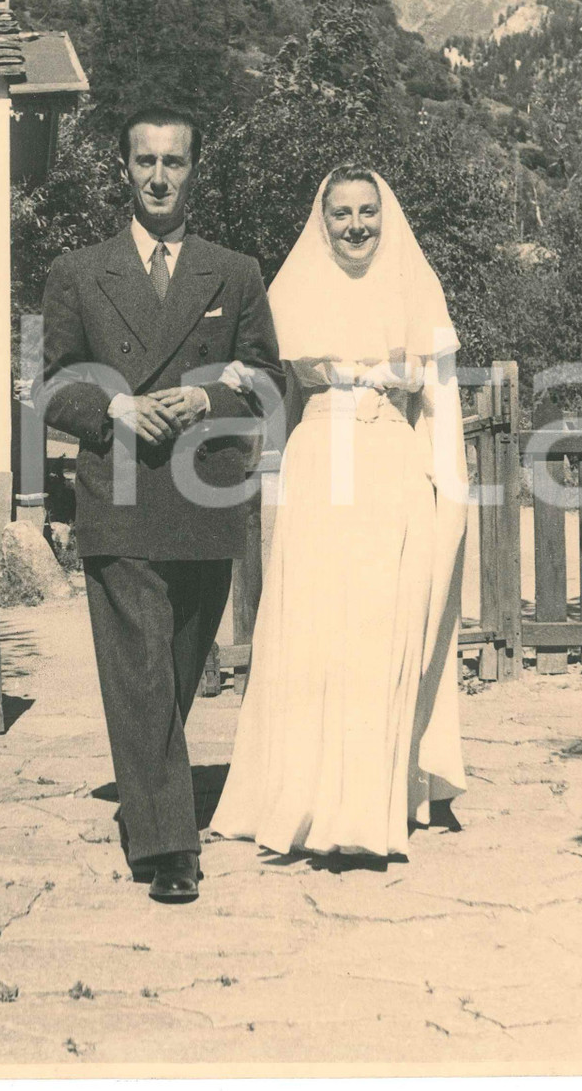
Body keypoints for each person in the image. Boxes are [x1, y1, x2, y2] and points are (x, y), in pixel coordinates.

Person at [34, 106, 284, 903]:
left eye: (174, 162)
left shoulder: (235, 271)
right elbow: (52, 384)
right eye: (144, 161)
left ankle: (149, 795)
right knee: (139, 672)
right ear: (123, 170)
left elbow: (273, 383)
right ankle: (170, 845)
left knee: (170, 675)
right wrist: (116, 408)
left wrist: (208, 400)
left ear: (194, 170)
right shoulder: (80, 271)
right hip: (120, 491)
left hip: (206, 498)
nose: (158, 177)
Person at [210, 164, 468, 861]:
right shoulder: (291, 291)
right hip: (320, 467)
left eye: (367, 213)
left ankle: (369, 811)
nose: (355, 225)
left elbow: (442, 406)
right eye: (341, 214)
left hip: (390, 471)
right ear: (322, 221)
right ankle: (301, 799)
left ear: (385, 219)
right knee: (314, 631)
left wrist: (450, 493)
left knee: (378, 633)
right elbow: (274, 396)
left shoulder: (416, 288)